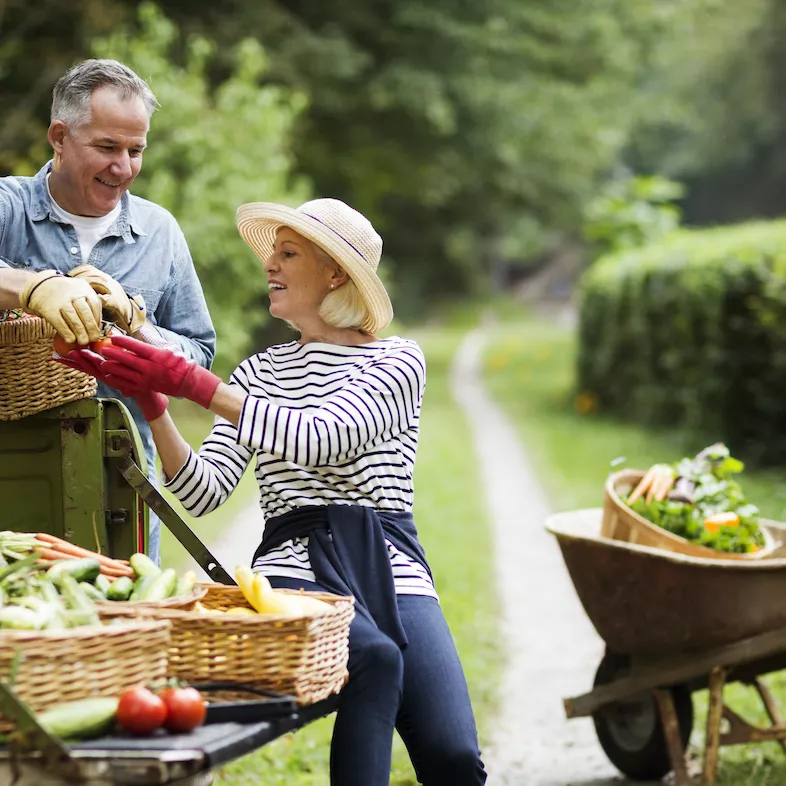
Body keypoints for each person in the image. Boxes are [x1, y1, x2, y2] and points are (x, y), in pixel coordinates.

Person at [63, 198, 487, 786]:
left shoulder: (396, 361)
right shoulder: (259, 373)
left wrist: (195, 384)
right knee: (373, 656)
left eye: (288, 254)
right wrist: (157, 409)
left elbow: (326, 437)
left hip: (392, 565)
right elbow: (205, 489)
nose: (270, 265)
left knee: (454, 758)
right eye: (273, 253)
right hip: (292, 566)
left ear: (335, 272)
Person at [0, 59, 216, 563]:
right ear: (59, 136)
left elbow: (199, 353)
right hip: (13, 466)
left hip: (122, 478)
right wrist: (33, 286)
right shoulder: (8, 206)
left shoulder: (159, 232)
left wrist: (140, 325)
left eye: (135, 150)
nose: (123, 167)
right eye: (106, 147)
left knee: (125, 632)